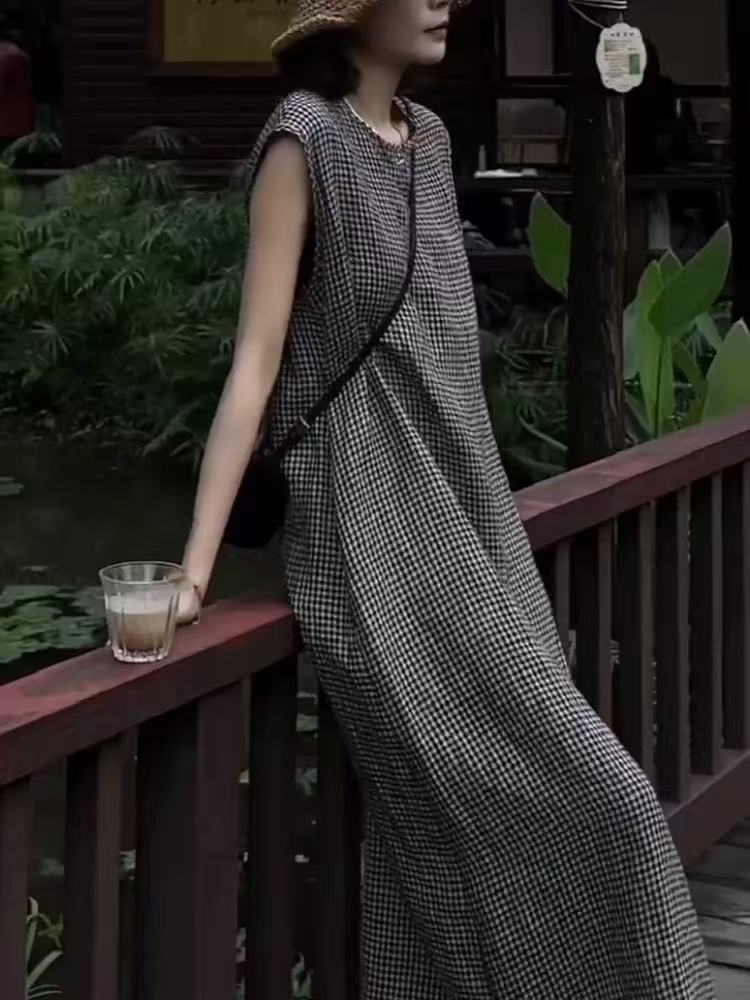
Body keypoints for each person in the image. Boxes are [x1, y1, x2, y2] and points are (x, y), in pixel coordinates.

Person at [178, 1, 714, 996]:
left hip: (467, 501)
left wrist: (487, 510)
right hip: (363, 514)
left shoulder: (429, 137)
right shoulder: (301, 141)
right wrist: (194, 570)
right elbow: (255, 362)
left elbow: (449, 357)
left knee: (458, 821)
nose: (443, 3)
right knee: (598, 800)